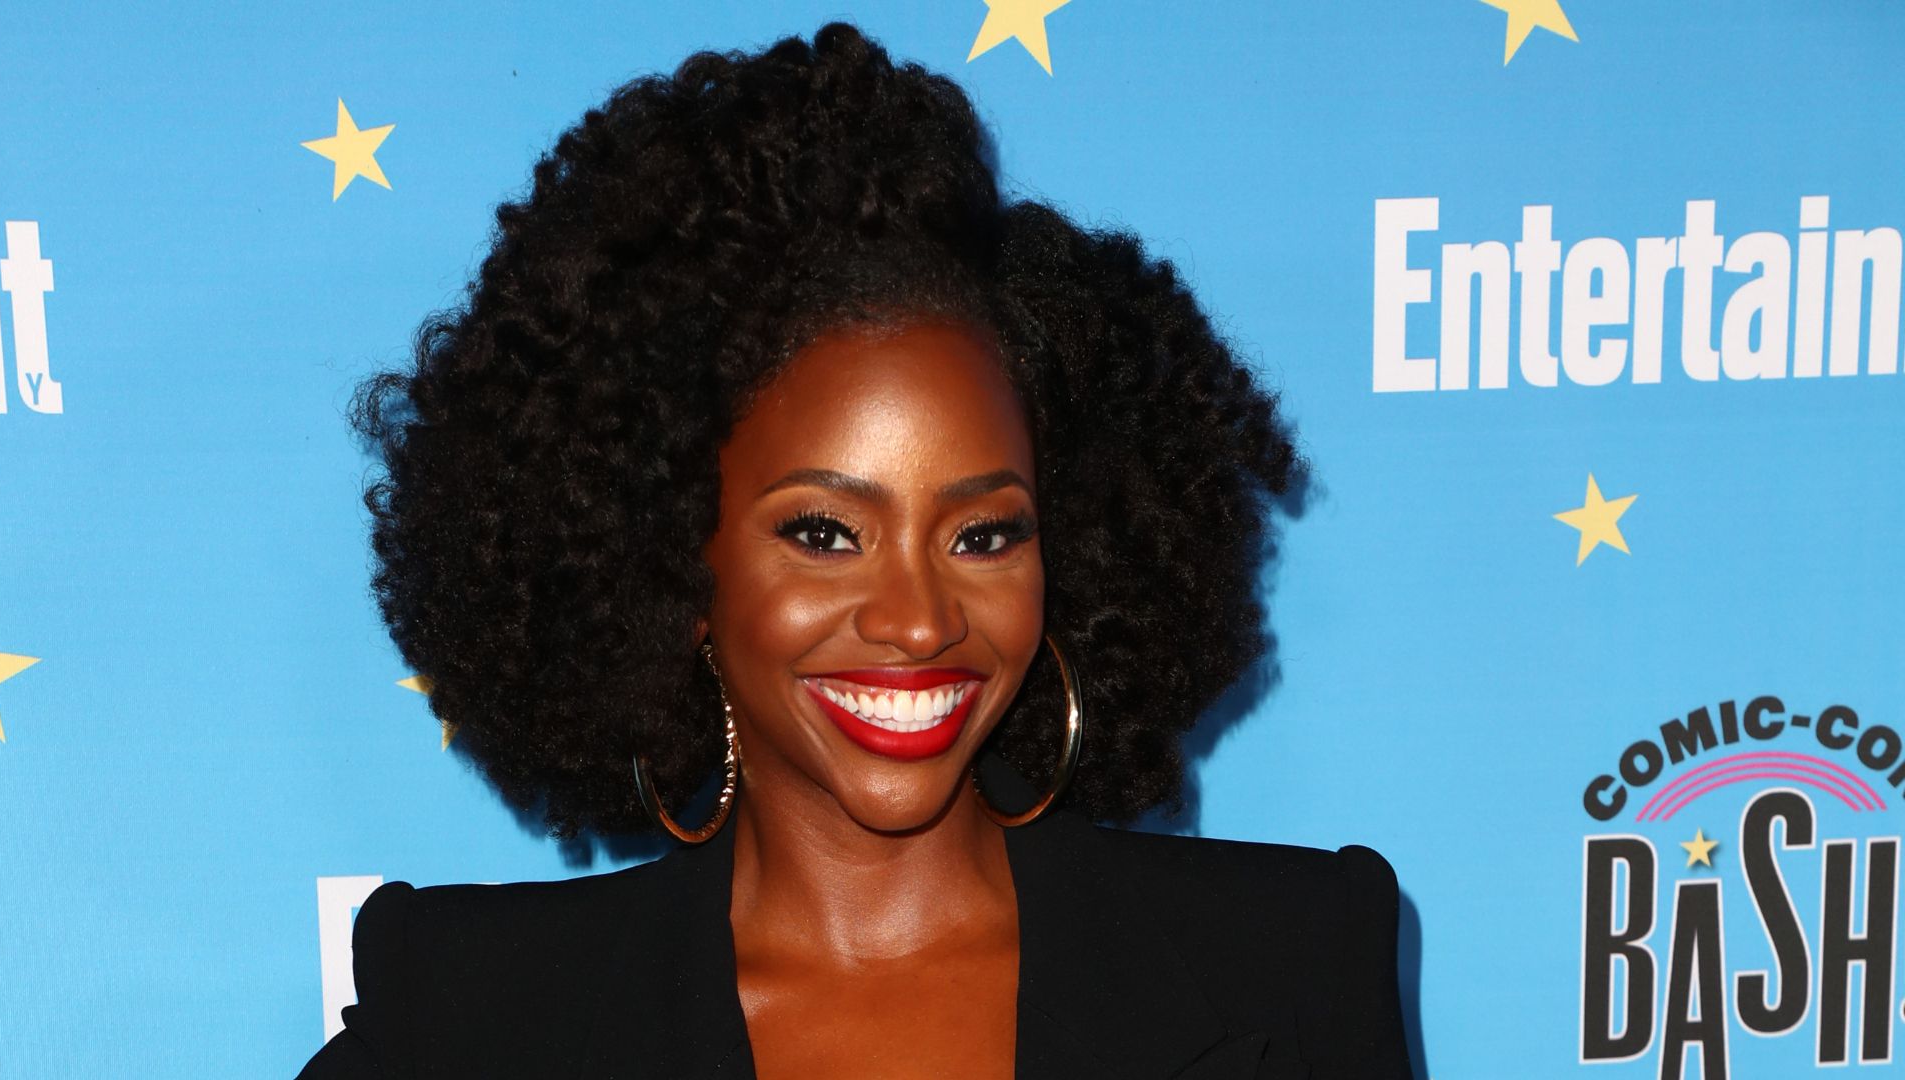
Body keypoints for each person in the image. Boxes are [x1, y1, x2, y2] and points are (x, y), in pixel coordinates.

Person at [297, 21, 1413, 1080]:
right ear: (670, 564)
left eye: (984, 534)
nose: (921, 620)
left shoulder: (1293, 968)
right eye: (825, 534)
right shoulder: (466, 1020)